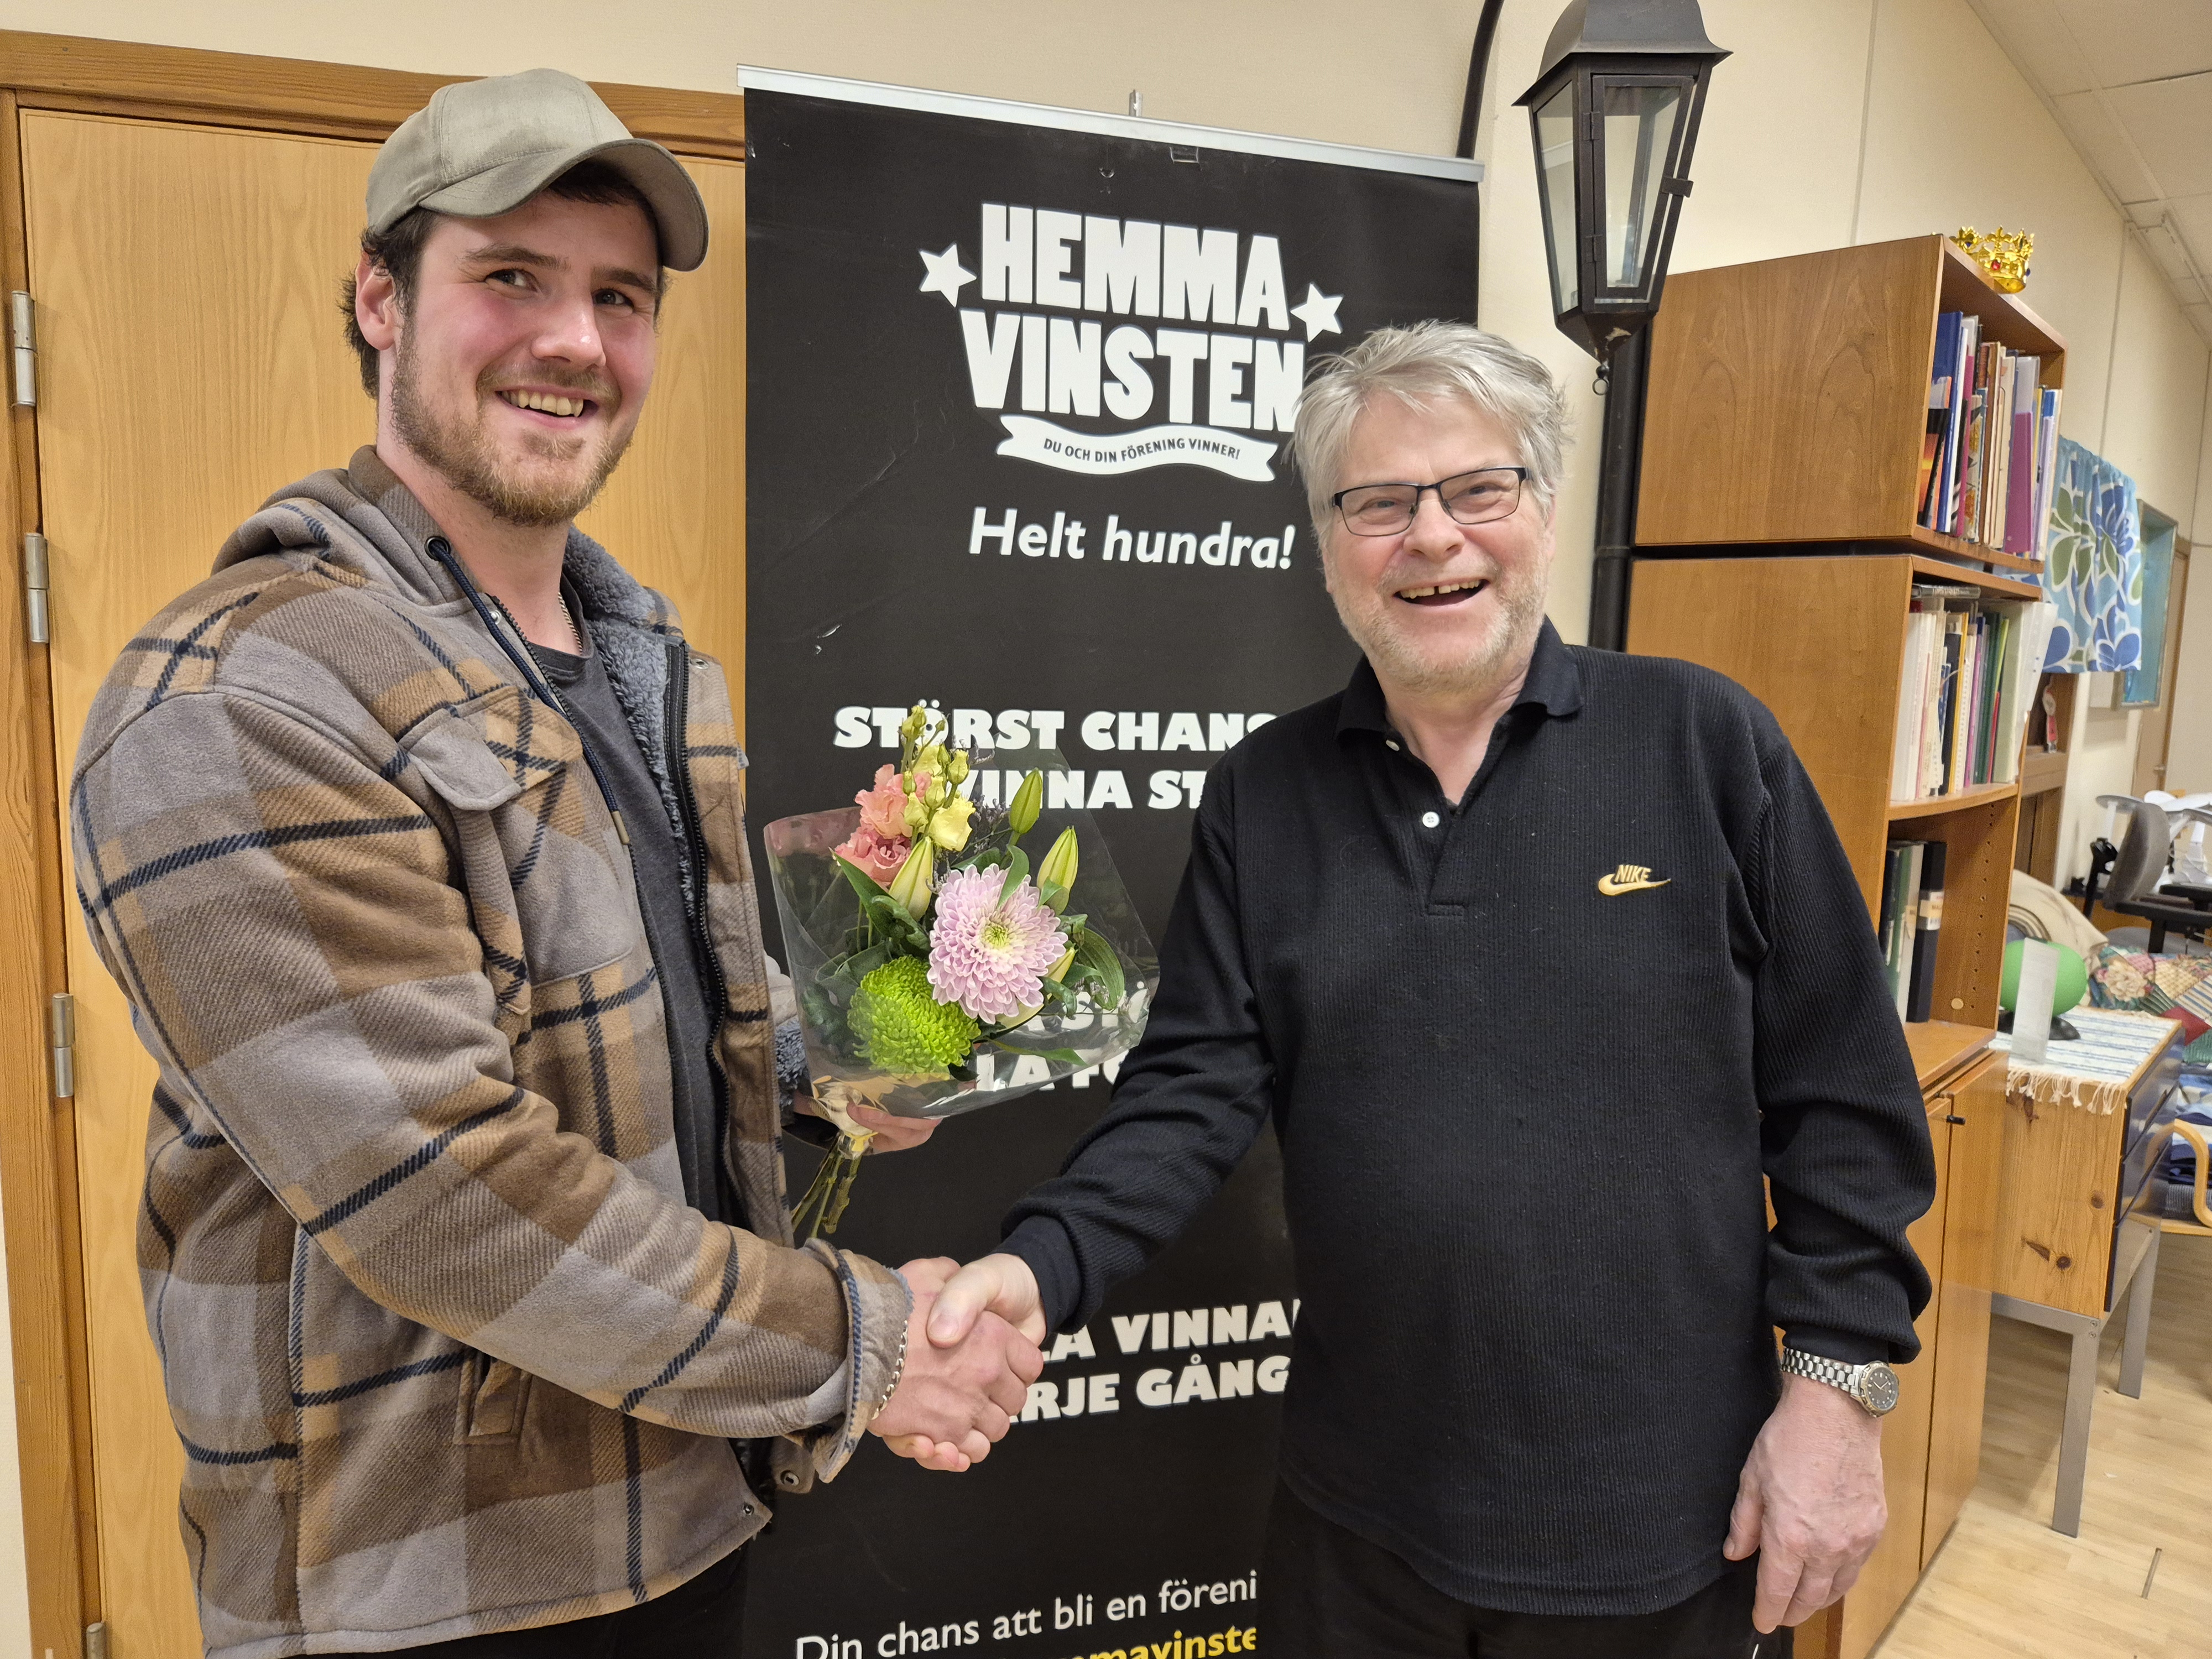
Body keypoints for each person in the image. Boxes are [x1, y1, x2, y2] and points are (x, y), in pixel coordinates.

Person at [69, 69, 1036, 1659]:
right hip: (431, 1591)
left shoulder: (634, 654)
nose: (576, 341)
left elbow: (628, 1000)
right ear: (382, 299)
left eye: (619, 297)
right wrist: (869, 1341)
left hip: (690, 1505)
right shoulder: (243, 696)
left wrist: (844, 1052)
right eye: (511, 277)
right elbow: (450, 1195)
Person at [919, 322, 1938, 1658]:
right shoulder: (1263, 793)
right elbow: (1190, 1095)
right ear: (1325, 543)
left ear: (1542, 509)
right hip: (1355, 1520)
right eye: (1379, 503)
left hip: (1660, 1524)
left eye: (1477, 489)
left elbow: (1845, 1100)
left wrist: (1837, 1394)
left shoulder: (1704, 743)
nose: (1432, 536)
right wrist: (1038, 1264)